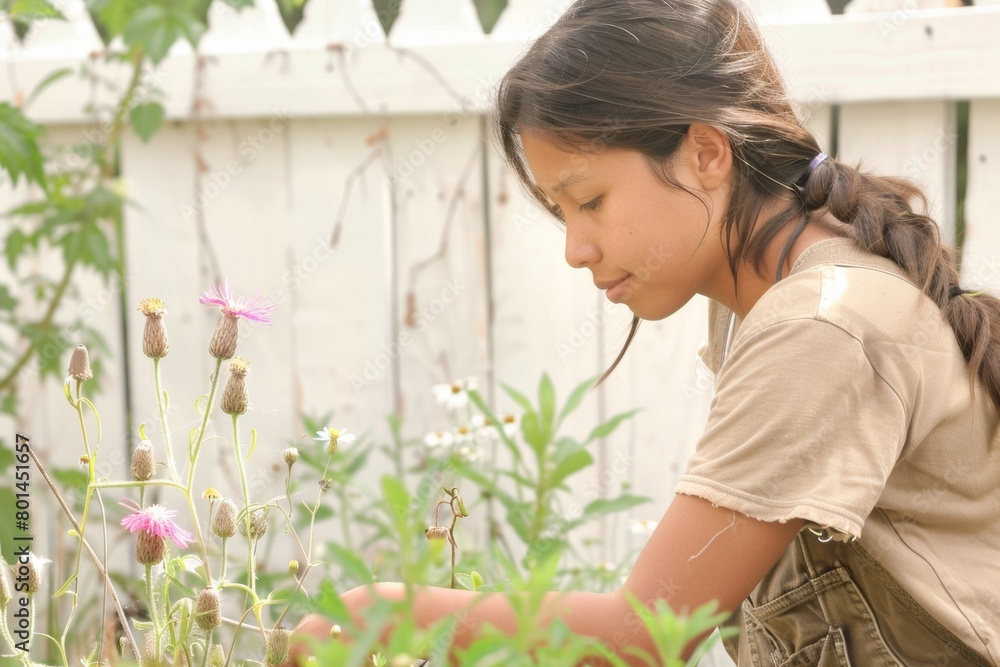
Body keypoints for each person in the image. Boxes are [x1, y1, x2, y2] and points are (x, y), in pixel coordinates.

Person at [288, 0, 1000, 664]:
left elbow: (642, 637)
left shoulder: (820, 326)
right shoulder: (773, 299)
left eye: (591, 200)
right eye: (561, 212)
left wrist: (382, 613)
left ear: (707, 154)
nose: (576, 249)